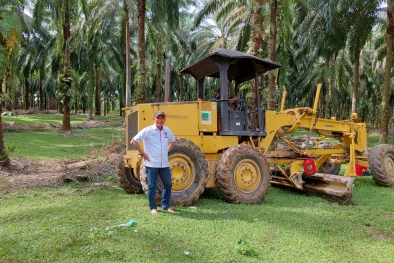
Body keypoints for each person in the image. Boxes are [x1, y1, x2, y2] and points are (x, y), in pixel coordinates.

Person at [131, 110, 176, 215]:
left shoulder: (167, 131)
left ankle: (166, 206)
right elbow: (133, 141)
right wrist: (143, 153)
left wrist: (167, 151)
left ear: (164, 119)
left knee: (168, 184)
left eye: (162, 118)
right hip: (151, 164)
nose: (160, 120)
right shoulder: (148, 130)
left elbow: (172, 141)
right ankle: (153, 208)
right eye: (158, 118)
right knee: (152, 186)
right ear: (154, 119)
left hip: (164, 164)